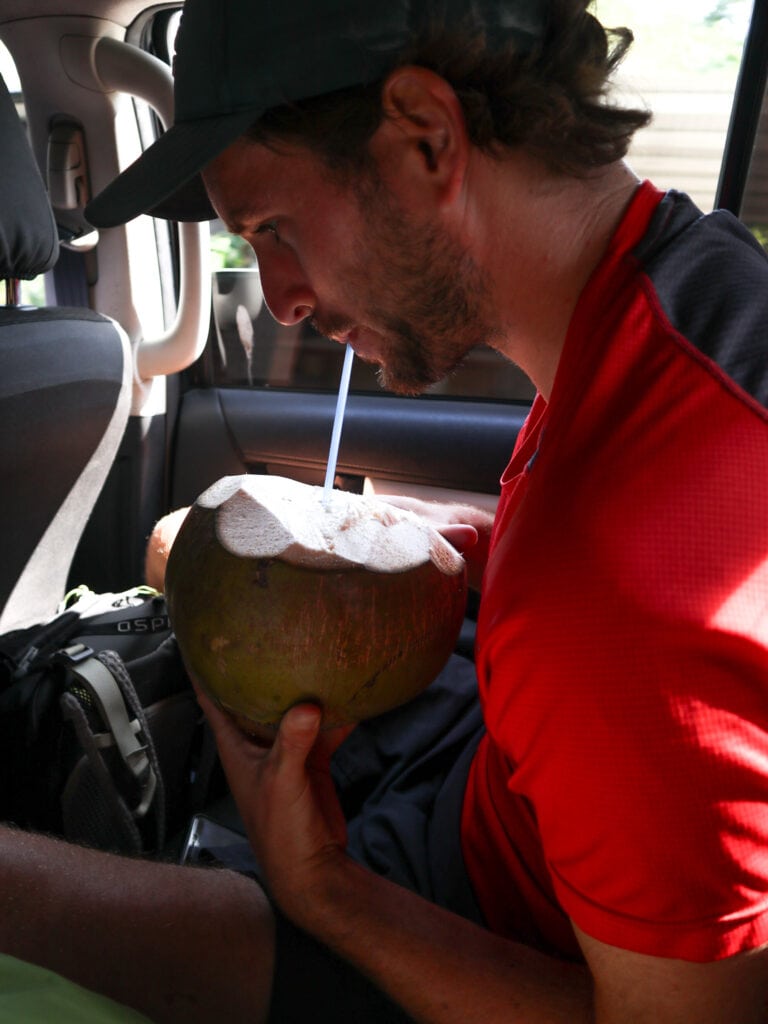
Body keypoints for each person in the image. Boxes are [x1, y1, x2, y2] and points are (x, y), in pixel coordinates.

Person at [3, 0, 767, 1021]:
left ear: (426, 138)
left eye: (274, 228)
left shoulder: (613, 591)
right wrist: (468, 547)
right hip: (503, 793)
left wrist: (327, 892)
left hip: (476, 938)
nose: (277, 297)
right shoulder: (689, 286)